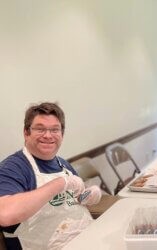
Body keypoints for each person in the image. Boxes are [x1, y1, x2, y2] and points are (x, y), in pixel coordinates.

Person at [0, 102, 102, 249]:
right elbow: (5, 214)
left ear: (62, 134)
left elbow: (73, 199)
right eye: (40, 129)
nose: (48, 135)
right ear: (26, 132)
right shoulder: (13, 168)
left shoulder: (63, 164)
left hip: (88, 239)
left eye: (55, 130)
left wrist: (89, 195)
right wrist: (60, 184)